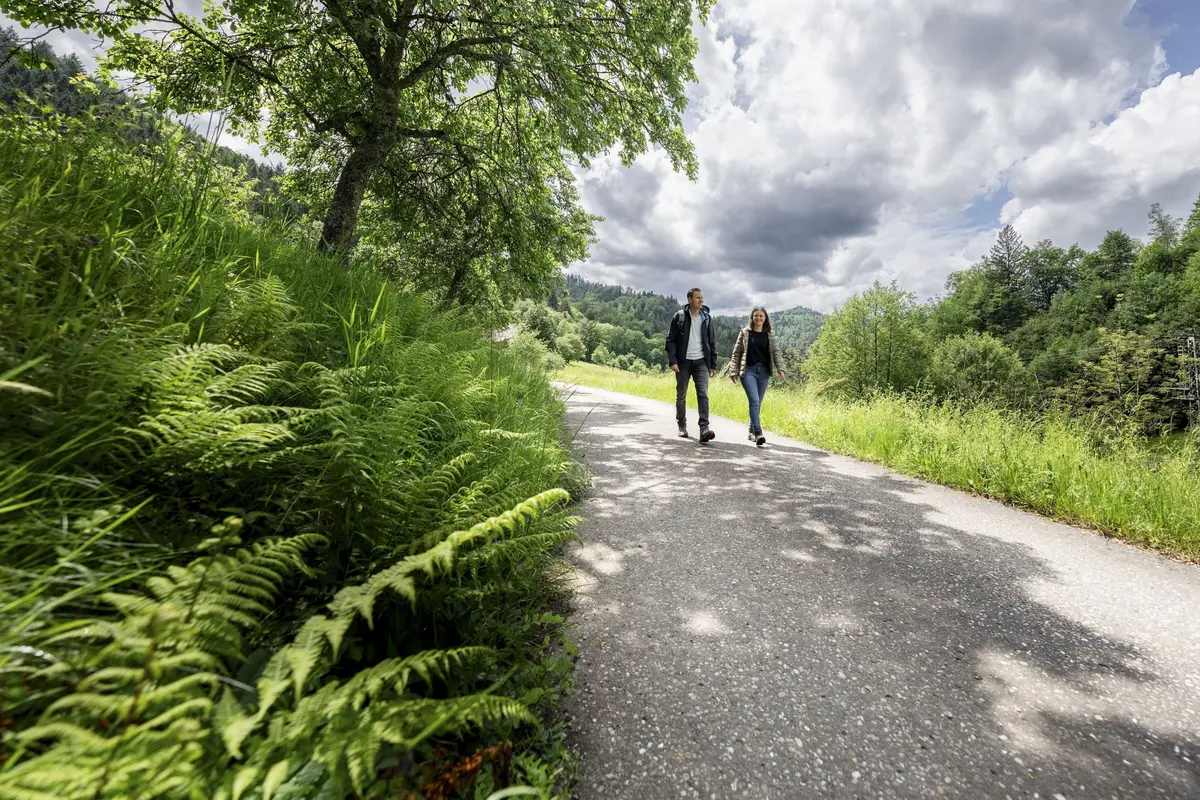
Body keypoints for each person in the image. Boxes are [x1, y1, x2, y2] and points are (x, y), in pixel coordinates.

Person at [727, 306, 785, 447]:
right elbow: (736, 353)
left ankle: (751, 431)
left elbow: (776, 352)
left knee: (758, 402)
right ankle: (758, 432)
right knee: (754, 400)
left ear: (765, 319)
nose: (758, 318)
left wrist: (781, 368)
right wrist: (733, 371)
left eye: (761, 316)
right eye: (756, 316)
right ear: (752, 318)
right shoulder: (745, 333)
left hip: (764, 372)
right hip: (748, 371)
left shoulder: (769, 335)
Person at [665, 287, 717, 442]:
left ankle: (704, 429)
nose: (701, 300)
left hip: (701, 361)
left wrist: (712, 364)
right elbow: (670, 340)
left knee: (703, 393)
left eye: (702, 298)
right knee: (681, 394)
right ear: (690, 300)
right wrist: (673, 361)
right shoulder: (680, 317)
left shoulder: (706, 318)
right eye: (697, 298)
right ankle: (682, 425)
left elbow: (712, 342)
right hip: (683, 362)